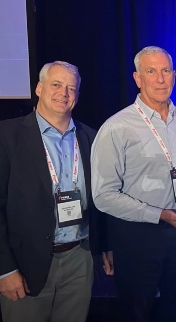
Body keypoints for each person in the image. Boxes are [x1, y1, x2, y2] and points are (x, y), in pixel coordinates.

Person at [91, 46, 176, 322]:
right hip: (137, 238)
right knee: (136, 314)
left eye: (165, 71)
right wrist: (158, 215)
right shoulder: (117, 127)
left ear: (174, 76)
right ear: (137, 78)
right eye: (151, 71)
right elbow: (103, 195)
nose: (160, 79)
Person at [0, 61, 108, 322]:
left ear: (77, 96)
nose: (64, 93)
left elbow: (100, 197)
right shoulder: (7, 135)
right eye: (56, 85)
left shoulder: (91, 137)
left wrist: (105, 245)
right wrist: (4, 270)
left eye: (71, 88)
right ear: (39, 88)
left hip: (79, 259)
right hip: (26, 264)